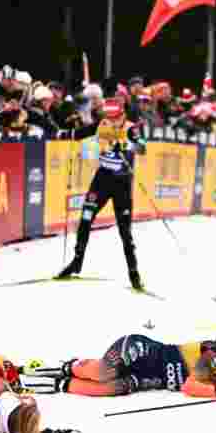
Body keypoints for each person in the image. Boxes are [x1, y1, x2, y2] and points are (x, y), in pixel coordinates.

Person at [41, 334, 216, 399]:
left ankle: (56, 384)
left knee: (111, 389)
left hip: (145, 379)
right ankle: (68, 365)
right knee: (104, 372)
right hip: (141, 352)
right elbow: (189, 386)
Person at [56, 98, 146, 290]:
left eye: (114, 117)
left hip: (122, 183)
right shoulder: (101, 124)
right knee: (86, 217)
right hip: (102, 180)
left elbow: (142, 147)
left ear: (122, 115)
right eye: (108, 117)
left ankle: (133, 272)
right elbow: (77, 134)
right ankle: (77, 261)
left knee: (125, 231)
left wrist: (124, 145)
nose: (111, 121)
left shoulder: (131, 128)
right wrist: (63, 132)